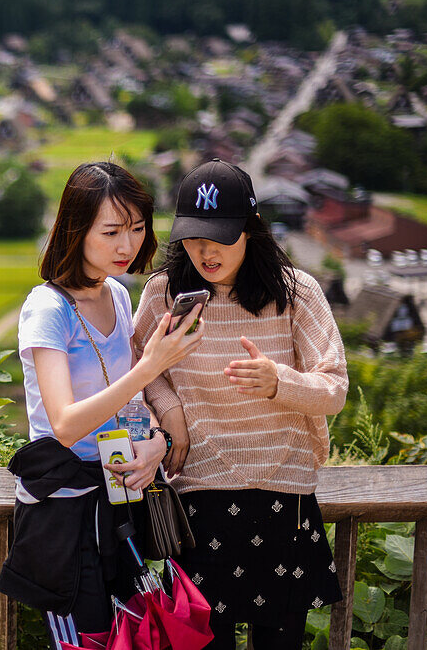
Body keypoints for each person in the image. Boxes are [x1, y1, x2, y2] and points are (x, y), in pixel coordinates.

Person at [134, 160, 346, 649]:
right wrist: (171, 415)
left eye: (221, 237)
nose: (205, 251)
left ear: (250, 229)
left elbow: (334, 388)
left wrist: (279, 381)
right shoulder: (165, 293)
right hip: (199, 497)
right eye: (193, 237)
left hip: (282, 496)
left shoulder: (296, 292)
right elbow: (139, 373)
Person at [0, 161, 204, 648]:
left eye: (136, 229)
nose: (126, 246)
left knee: (136, 636)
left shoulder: (116, 292)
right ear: (75, 230)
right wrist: (150, 366)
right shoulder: (46, 308)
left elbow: (128, 397)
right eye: (111, 231)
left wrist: (155, 440)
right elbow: (64, 424)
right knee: (85, 642)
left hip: (120, 497)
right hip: (67, 514)